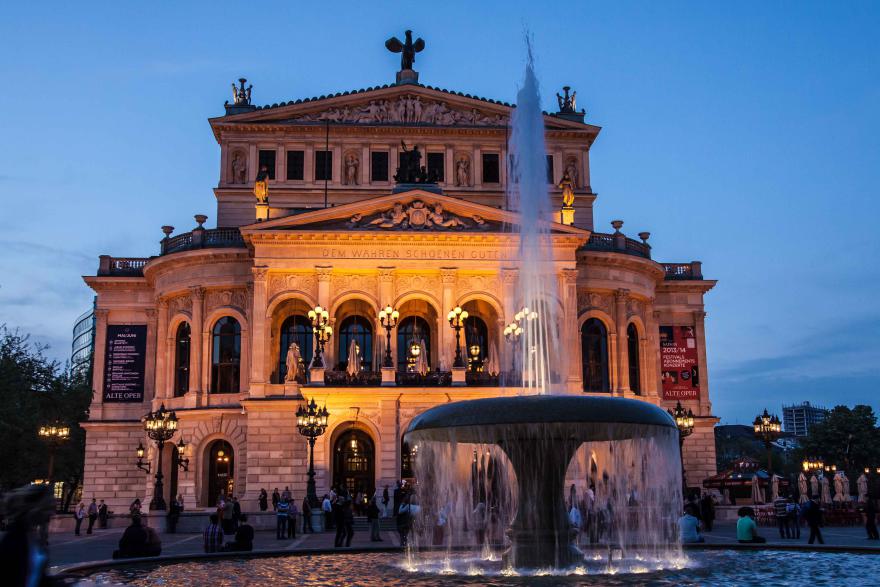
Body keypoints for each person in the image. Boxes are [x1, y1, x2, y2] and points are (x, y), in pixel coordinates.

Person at [0, 484, 55, 587]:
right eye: (47, 508)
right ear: (35, 508)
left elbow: (36, 576)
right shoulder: (13, 539)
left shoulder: (34, 536)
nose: (52, 513)